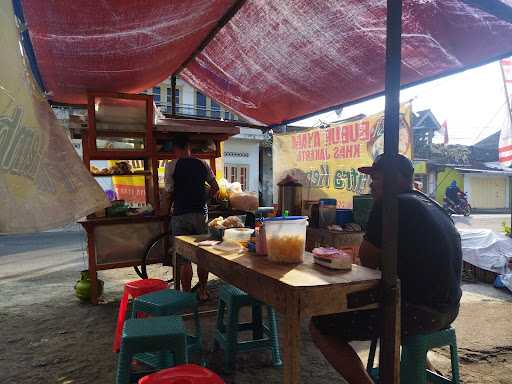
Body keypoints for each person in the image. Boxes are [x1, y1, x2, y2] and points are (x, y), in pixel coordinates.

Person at [309, 154, 462, 384]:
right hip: (449, 310)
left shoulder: (390, 204)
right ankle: (421, 368)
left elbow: (367, 260)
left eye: (377, 178)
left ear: (396, 179)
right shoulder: (434, 205)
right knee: (394, 298)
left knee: (320, 324)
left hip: (419, 314)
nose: (371, 184)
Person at [164, 134, 219, 301]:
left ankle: (187, 297)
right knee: (203, 256)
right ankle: (202, 291)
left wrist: (167, 210)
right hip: (200, 215)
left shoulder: (171, 165)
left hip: (180, 215)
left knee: (184, 258)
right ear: (189, 147)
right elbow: (215, 187)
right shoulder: (203, 163)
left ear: (175, 148)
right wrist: (205, 199)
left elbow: (168, 192)